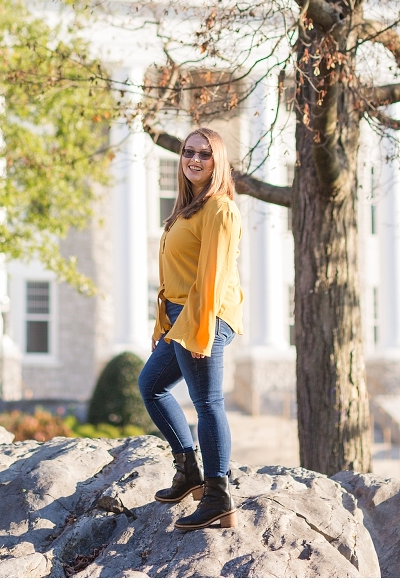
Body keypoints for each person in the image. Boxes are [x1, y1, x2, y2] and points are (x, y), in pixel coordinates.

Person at [138, 126, 243, 531]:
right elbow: (174, 277)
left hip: (206, 314)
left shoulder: (220, 209)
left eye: (205, 154)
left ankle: (218, 497)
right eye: (188, 152)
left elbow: (213, 275)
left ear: (218, 162)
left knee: (207, 403)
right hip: (182, 316)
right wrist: (164, 323)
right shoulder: (187, 209)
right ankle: (189, 472)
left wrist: (200, 328)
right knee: (151, 385)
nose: (194, 160)